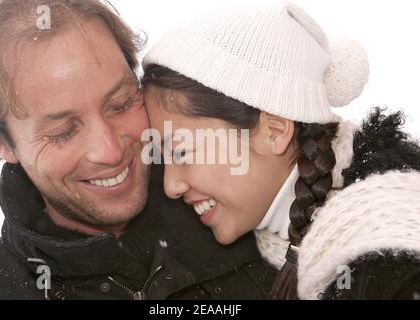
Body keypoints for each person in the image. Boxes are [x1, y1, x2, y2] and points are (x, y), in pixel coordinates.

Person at [0, 0, 275, 300]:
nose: (111, 152)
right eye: (63, 132)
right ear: (2, 142)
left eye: (121, 104)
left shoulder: (254, 216)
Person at [142, 3, 420, 299]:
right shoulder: (269, 250)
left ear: (274, 131)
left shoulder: (395, 266)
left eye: (181, 152)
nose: (170, 186)